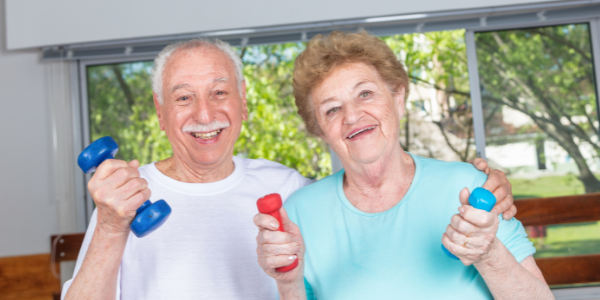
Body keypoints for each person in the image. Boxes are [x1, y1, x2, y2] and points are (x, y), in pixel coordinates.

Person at [63, 38, 516, 299]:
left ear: (243, 104)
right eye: (183, 97)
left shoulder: (289, 189)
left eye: (220, 93)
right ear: (161, 113)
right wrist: (108, 225)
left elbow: (369, 195)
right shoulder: (123, 203)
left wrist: (488, 184)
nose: (205, 113)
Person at [254, 31, 553, 300]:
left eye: (365, 94)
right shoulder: (299, 213)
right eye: (332, 109)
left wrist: (488, 255)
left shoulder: (470, 185)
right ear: (319, 130)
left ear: (397, 97)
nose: (353, 115)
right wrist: (289, 285)